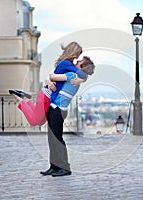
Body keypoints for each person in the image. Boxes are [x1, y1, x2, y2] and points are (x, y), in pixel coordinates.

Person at [41, 42, 94, 177]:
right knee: (52, 138)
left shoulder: (72, 73)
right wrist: (50, 81)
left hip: (58, 109)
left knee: (57, 138)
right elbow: (81, 74)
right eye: (77, 56)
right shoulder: (69, 68)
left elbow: (54, 76)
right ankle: (54, 166)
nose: (77, 59)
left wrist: (50, 79)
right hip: (56, 108)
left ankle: (64, 167)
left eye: (79, 60)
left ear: (82, 66)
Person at [9, 57, 91, 126]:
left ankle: (25, 98)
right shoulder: (71, 72)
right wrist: (50, 82)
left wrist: (82, 79)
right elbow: (52, 76)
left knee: (40, 122)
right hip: (47, 96)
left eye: (80, 63)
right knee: (34, 121)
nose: (77, 61)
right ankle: (20, 99)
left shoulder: (75, 75)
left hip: (50, 99)